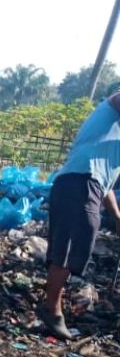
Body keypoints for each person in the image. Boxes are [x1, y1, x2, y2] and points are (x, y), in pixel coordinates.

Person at [39, 91, 120, 340]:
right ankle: (51, 309)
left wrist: (117, 218)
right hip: (79, 183)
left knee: (73, 247)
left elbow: (105, 189)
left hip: (84, 186)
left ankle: (52, 307)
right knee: (69, 248)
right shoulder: (111, 113)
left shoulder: (111, 149)